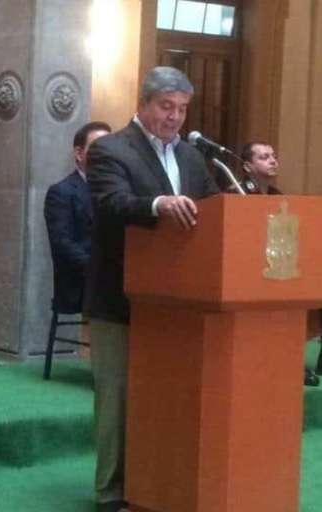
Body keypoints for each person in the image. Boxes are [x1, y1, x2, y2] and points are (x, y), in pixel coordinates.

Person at [85, 66, 220, 512]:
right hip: (121, 296)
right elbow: (110, 204)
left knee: (166, 399)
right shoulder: (111, 149)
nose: (174, 117)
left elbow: (214, 211)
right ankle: (111, 492)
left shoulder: (192, 158)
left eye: (182, 108)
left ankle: (156, 485)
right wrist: (158, 204)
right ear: (143, 104)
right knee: (118, 399)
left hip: (179, 302)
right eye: (166, 106)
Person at [237, 141, 319, 387]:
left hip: (276, 269)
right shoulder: (236, 194)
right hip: (247, 273)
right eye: (264, 157)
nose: (273, 160)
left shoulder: (277, 196)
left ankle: (286, 364)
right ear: (247, 166)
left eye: (273, 156)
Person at [44, 121, 111, 315]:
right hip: (82, 282)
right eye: (99, 149)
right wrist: (101, 269)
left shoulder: (118, 191)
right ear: (79, 153)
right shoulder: (62, 192)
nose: (107, 155)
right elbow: (63, 246)